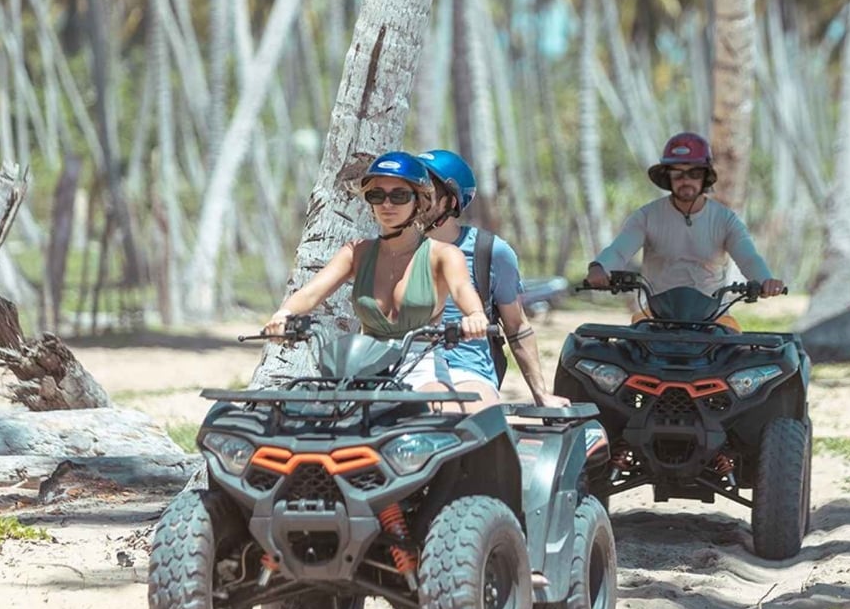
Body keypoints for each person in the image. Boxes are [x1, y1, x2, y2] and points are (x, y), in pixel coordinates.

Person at [262, 152, 490, 389]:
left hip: (420, 365)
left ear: (419, 201)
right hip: (364, 362)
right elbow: (311, 293)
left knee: (432, 410)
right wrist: (284, 315)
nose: (387, 204)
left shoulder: (444, 255)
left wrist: (474, 315)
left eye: (399, 196)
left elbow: (462, 289)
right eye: (377, 195)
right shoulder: (356, 252)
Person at [414, 149, 571, 410]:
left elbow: (517, 326)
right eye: (411, 190)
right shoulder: (391, 250)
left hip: (466, 372)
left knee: (460, 420)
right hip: (404, 369)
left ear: (450, 201)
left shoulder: (489, 251)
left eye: (426, 193)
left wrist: (541, 395)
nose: (416, 200)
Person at [585, 133, 785, 312]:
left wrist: (765, 280)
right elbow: (619, 250)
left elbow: (748, 257)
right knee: (626, 350)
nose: (685, 180)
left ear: (705, 177)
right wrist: (600, 267)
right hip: (657, 316)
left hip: (714, 317)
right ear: (668, 177)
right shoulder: (647, 216)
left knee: (738, 351)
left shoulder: (726, 220)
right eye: (677, 174)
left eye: (694, 173)